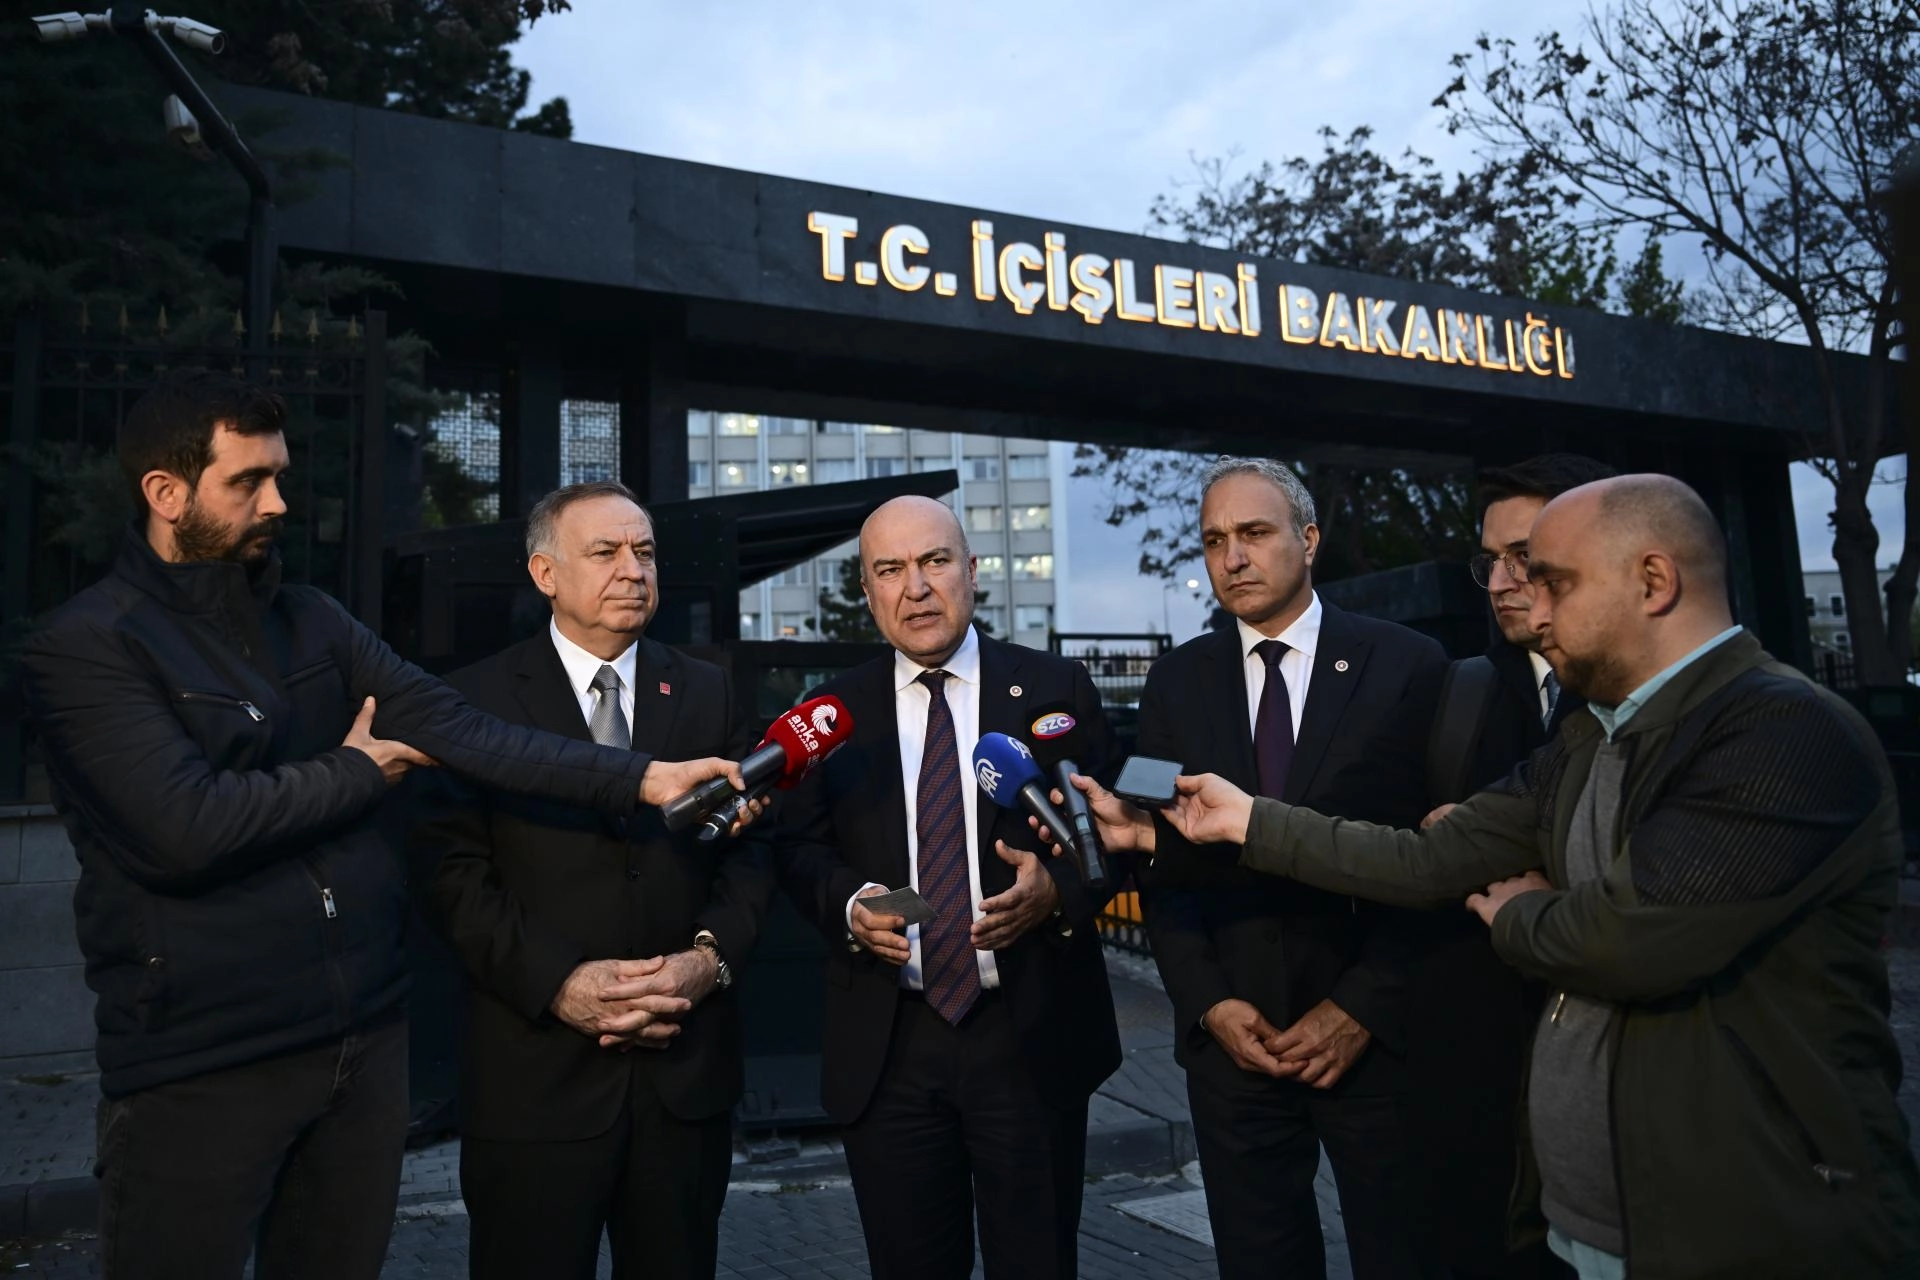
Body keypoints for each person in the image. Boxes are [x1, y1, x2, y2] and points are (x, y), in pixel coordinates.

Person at [1076, 474, 1920, 1279]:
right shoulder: (1588, 740)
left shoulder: (1785, 732)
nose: (1528, 607)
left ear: (1654, 580)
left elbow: (1625, 940)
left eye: (1551, 580)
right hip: (1614, 1218)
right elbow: (1426, 860)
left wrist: (1518, 915)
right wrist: (1242, 821)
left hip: (1759, 1224)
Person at [13, 372, 747, 1280]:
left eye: (279, 476)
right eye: (247, 481)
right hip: (201, 1059)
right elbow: (186, 826)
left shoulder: (314, 621)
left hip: (358, 1044)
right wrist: (358, 769)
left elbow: (466, 732)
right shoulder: (87, 645)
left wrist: (644, 778)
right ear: (166, 493)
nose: (278, 502)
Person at [413, 481, 772, 1280]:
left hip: (683, 1078)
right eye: (606, 552)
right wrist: (561, 984)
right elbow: (451, 877)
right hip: (534, 1079)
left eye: (645, 552)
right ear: (545, 573)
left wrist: (707, 962)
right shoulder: (472, 701)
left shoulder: (707, 689)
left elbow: (750, 853)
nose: (633, 570)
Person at [774, 495, 1120, 1280]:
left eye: (934, 561)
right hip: (889, 1040)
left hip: (1028, 1031)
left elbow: (1115, 835)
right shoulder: (831, 712)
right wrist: (850, 905)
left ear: (972, 570)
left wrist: (1056, 891)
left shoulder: (1056, 688)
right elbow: (797, 848)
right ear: (868, 591)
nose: (916, 587)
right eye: (890, 570)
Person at [1136, 456, 1447, 1280]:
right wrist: (1209, 1004)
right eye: (1213, 540)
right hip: (1235, 1053)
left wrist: (1361, 1008)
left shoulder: (1408, 665)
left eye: (1253, 533)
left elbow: (1438, 861)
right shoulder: (1173, 684)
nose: (1232, 557)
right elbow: (1156, 865)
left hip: (1375, 1044)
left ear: (1308, 539)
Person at [1408, 453, 1615, 1280]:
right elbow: (1408, 858)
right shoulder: (1453, 690)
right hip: (1477, 1065)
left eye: (1524, 558)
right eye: (1489, 560)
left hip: (1611, 1068)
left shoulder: (1656, 705)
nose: (1500, 584)